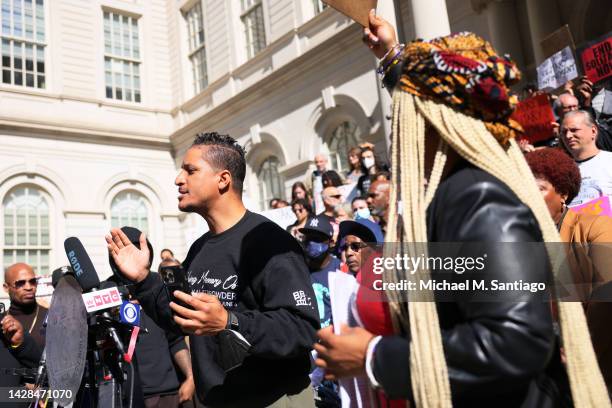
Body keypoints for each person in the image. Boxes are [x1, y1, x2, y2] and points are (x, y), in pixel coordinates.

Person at [314, 11, 608, 407]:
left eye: (403, 110)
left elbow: (515, 340)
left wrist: (375, 357)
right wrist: (390, 57)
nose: (398, 124)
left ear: (434, 119)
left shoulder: (477, 199)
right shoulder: (462, 191)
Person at [107, 132, 319, 407]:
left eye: (190, 170)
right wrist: (143, 279)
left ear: (223, 180)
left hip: (274, 399)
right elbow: (182, 316)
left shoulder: (271, 242)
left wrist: (230, 322)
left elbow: (302, 329)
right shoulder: (200, 249)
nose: (178, 179)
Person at [525, 148, 612, 391]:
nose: (529, 196)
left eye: (539, 189)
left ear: (563, 193)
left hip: (594, 363)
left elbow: (607, 294)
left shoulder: (597, 227)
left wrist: (581, 352)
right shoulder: (518, 236)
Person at [560, 110, 612, 206]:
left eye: (574, 130)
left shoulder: (609, 161)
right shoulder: (561, 171)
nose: (568, 136)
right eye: (564, 132)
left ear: (593, 131)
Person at [3, 263, 47, 349]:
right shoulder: (2, 320)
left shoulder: (52, 317)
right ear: (6, 287)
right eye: (20, 283)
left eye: (32, 281)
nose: (29, 287)